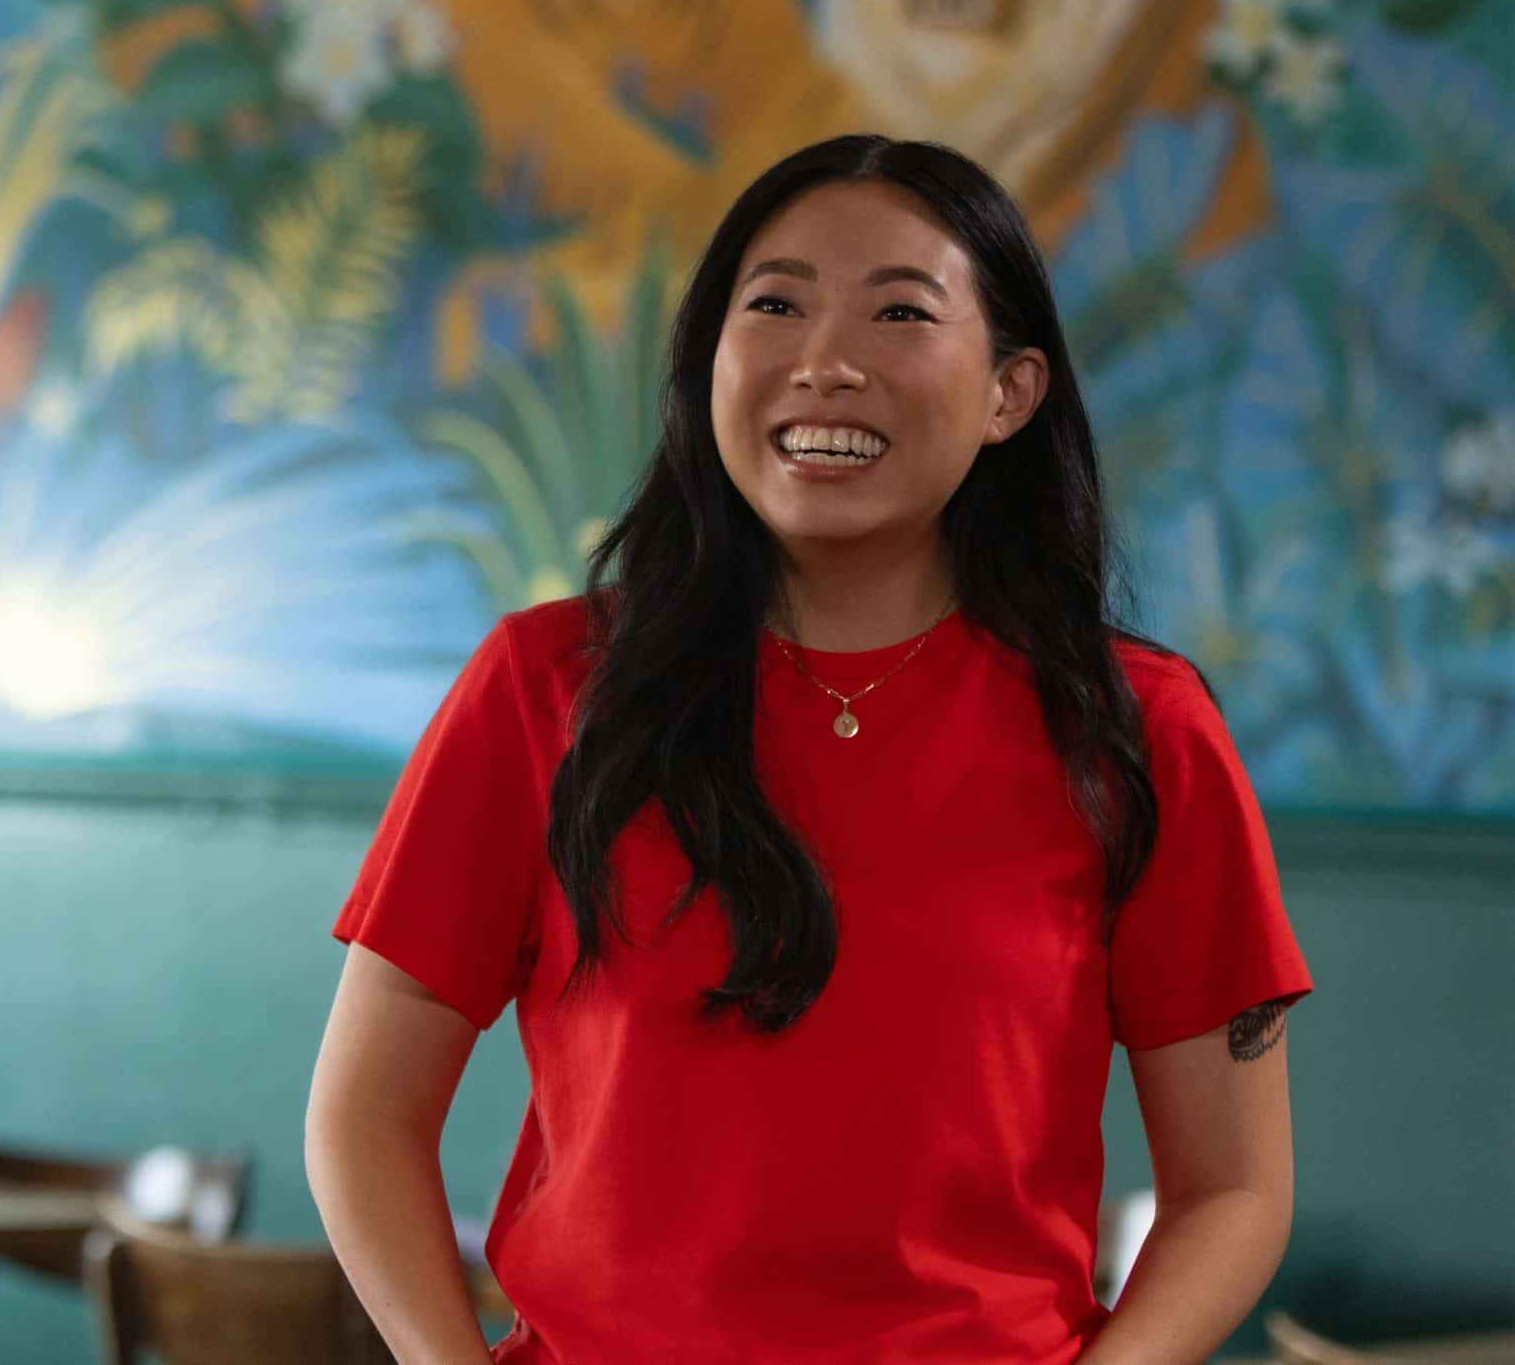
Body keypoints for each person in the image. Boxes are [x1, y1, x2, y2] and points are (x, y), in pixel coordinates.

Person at [305, 134, 1311, 1365]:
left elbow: (1232, 1187)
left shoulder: (1136, 728)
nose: (825, 362)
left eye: (900, 311)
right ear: (710, 362)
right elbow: (363, 1113)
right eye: (774, 304)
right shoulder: (546, 687)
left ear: (1011, 391)